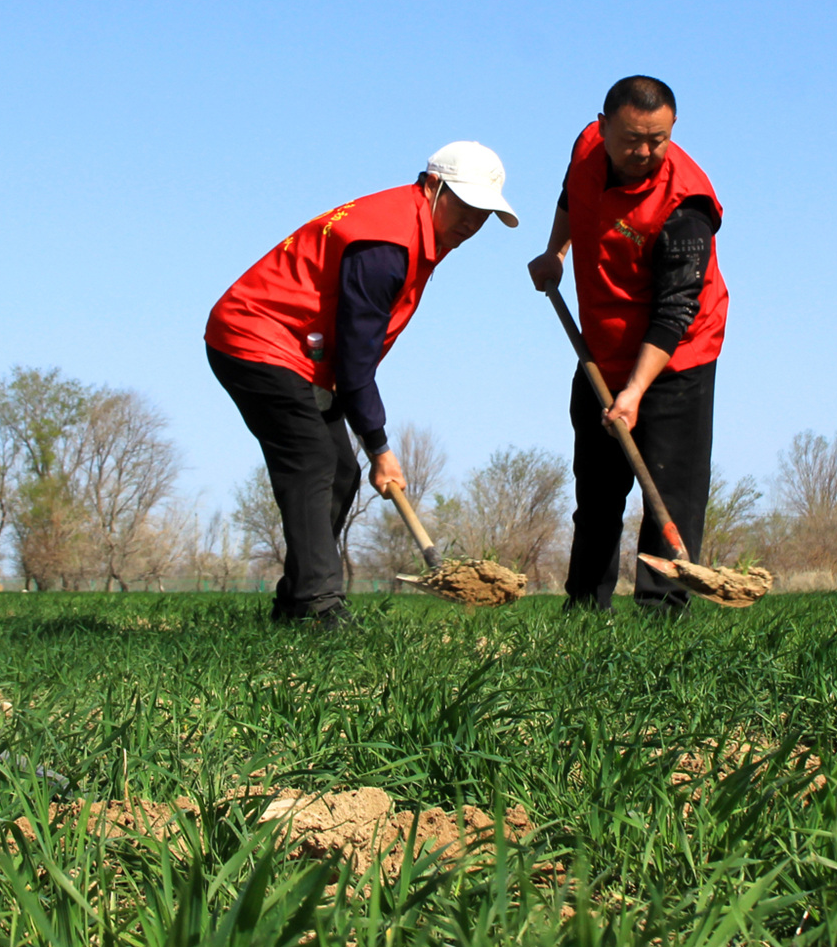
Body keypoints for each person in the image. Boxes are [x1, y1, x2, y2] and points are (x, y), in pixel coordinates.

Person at [207, 143, 516, 629]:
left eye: (484, 214)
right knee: (311, 459)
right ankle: (317, 606)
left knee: (340, 472)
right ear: (433, 186)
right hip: (256, 335)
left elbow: (354, 355)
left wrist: (370, 449)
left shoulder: (412, 227)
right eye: (466, 207)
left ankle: (296, 602)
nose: (473, 224)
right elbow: (356, 363)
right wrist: (380, 446)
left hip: (302, 351)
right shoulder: (387, 244)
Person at [528, 76, 728, 615]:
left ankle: (661, 611)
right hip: (600, 349)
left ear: (674, 129)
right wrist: (556, 251)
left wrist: (635, 391)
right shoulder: (586, 147)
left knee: (671, 490)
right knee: (597, 489)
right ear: (602, 127)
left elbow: (675, 312)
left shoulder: (687, 206)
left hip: (676, 358)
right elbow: (573, 193)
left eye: (657, 139)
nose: (643, 152)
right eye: (631, 139)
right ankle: (585, 609)